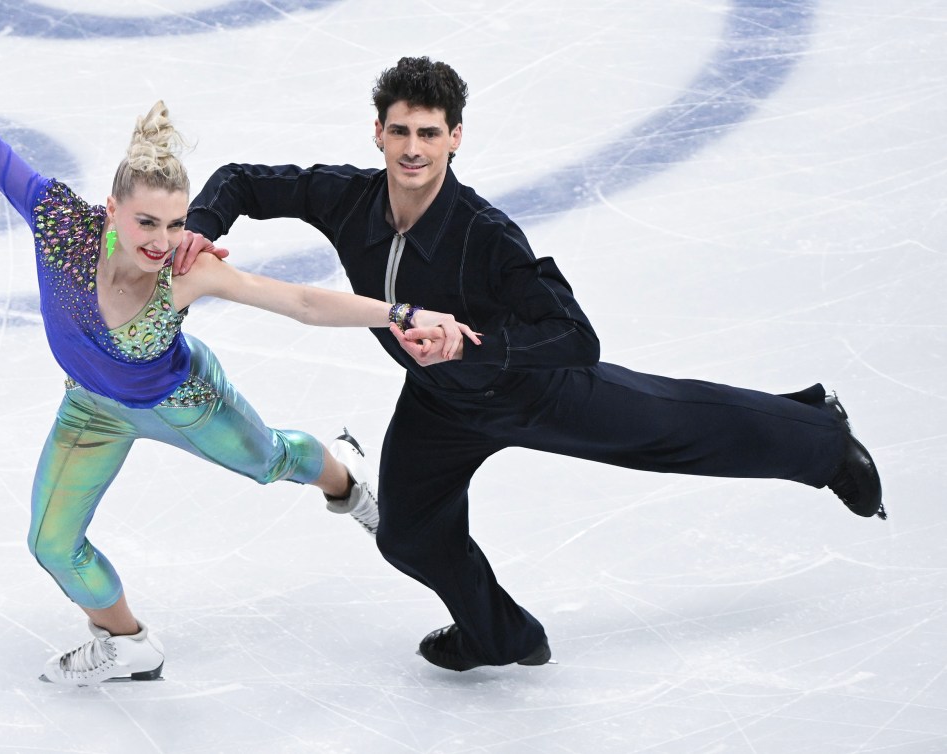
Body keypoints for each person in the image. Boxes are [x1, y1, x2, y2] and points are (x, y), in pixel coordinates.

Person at [182, 56, 885, 672]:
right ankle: (498, 634)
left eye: (429, 132)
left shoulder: (483, 234)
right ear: (377, 132)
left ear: (455, 137)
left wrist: (473, 344)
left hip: (534, 389)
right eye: (399, 130)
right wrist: (200, 229)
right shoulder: (346, 197)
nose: (412, 148)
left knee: (670, 426)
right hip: (439, 405)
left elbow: (575, 336)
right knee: (405, 535)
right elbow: (243, 180)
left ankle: (819, 437)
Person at [0, 50, 478, 685]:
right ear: (111, 209)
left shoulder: (186, 268)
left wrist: (400, 312)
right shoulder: (61, 225)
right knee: (51, 544)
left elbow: (303, 302)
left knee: (273, 461)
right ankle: (128, 643)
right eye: (146, 221)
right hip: (92, 407)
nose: (162, 240)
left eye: (175, 223)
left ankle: (348, 480)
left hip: (185, 400)